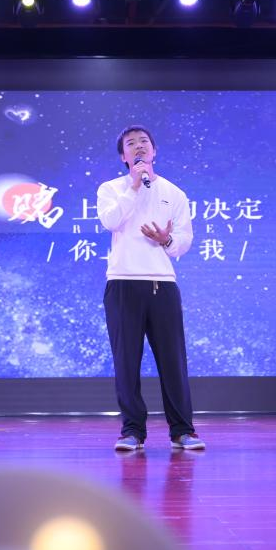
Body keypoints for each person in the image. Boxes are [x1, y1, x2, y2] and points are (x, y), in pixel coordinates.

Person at [97, 125, 204, 451]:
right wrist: (133, 186)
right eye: (131, 144)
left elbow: (184, 240)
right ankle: (132, 432)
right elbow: (110, 221)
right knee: (126, 362)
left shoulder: (174, 193)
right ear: (124, 156)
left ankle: (182, 431)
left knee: (173, 361)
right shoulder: (111, 189)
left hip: (162, 284)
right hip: (123, 284)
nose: (139, 147)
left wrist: (166, 240)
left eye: (144, 142)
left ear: (154, 151)